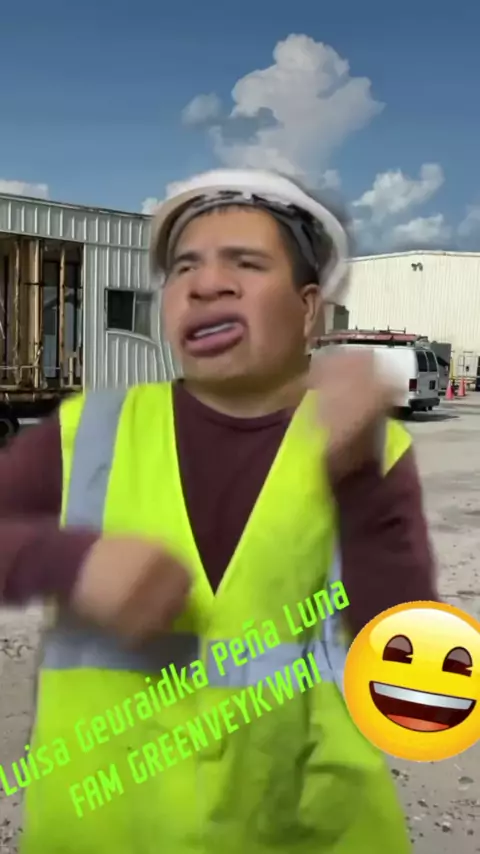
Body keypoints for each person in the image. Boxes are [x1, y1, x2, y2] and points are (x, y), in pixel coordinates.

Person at [0, 169, 436, 854]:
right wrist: (69, 561)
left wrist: (355, 475)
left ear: (308, 309)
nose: (206, 285)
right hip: (108, 833)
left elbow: (426, 697)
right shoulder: (92, 432)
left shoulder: (370, 453)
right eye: (185, 267)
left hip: (307, 834)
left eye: (246, 263)